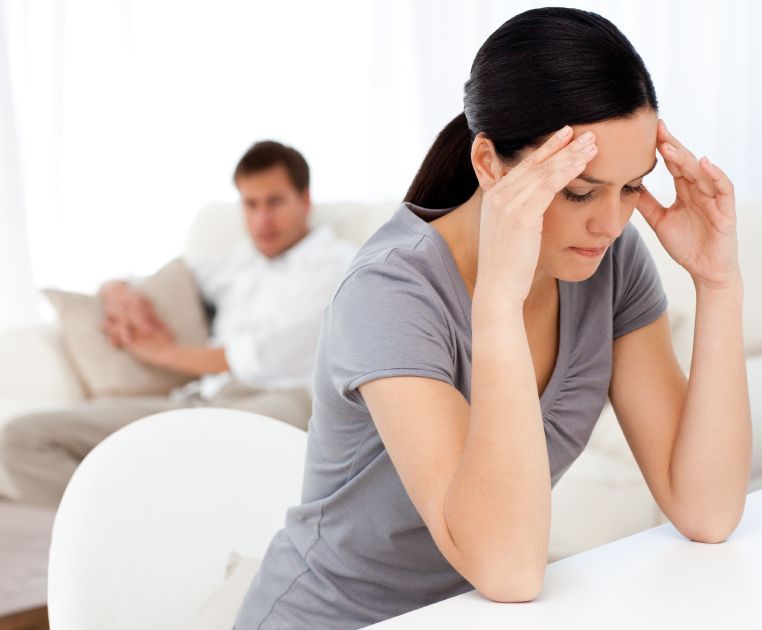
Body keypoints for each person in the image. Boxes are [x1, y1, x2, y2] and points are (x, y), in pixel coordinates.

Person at [233, 8, 751, 630]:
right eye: (580, 191)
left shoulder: (608, 263)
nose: (611, 225)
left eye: (633, 188)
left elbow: (707, 510)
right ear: (489, 163)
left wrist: (718, 283)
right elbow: (507, 567)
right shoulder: (390, 291)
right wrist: (499, 301)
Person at [0, 140, 357, 508]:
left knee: (210, 452)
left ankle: (158, 524)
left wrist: (163, 352)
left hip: (283, 401)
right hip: (199, 400)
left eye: (275, 202)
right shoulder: (238, 264)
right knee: (23, 438)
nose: (261, 220)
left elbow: (262, 357)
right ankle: (125, 525)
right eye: (251, 204)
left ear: (305, 199)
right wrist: (118, 294)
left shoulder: (338, 265)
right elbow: (142, 279)